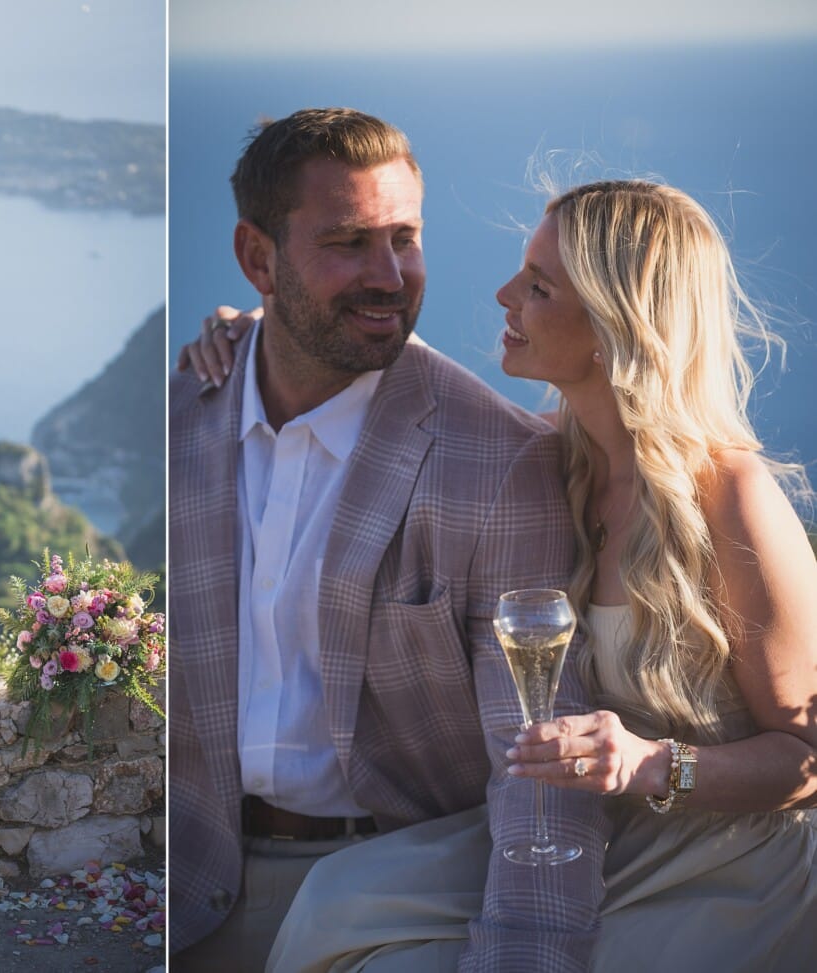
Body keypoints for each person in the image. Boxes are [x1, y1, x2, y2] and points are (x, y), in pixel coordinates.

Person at [187, 180, 817, 971]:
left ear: (612, 326)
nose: (503, 293)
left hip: (722, 862)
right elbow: (412, 383)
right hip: (589, 827)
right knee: (333, 900)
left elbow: (808, 755)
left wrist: (653, 763)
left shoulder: (733, 498)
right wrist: (263, 328)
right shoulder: (551, 460)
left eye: (538, 285)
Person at [168, 107, 609, 973]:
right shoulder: (183, 420)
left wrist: (521, 957)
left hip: (396, 904)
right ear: (258, 258)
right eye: (347, 243)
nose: (390, 275)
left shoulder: (501, 461)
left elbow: (538, 770)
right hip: (189, 887)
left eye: (404, 237)